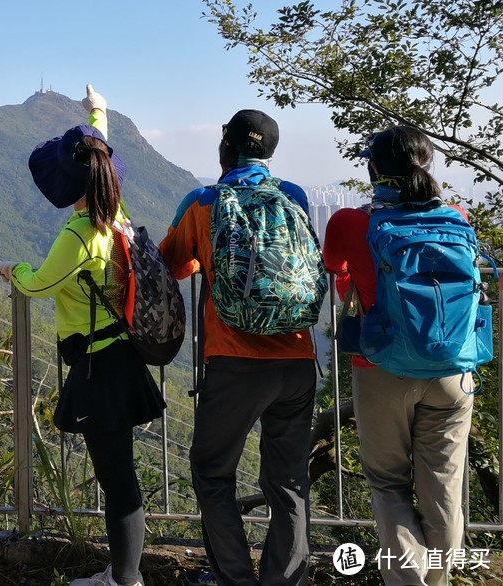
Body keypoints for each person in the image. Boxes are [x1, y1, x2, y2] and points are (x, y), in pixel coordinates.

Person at [0, 85, 165, 586]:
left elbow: (41, 283)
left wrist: (9, 269)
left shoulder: (79, 235)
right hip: (120, 353)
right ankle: (123, 573)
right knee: (120, 474)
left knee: (117, 478)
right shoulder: (115, 213)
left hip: (98, 365)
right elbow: (97, 153)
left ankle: (124, 579)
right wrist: (97, 113)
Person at [158, 110, 316, 586]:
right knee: (288, 482)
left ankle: (233, 578)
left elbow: (171, 265)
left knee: (211, 470)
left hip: (234, 362)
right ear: (269, 152)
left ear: (225, 147)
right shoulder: (295, 197)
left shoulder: (204, 201)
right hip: (297, 359)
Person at [323, 126, 475, 586]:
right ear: (427, 165)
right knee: (445, 488)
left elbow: (334, 268)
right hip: (453, 369)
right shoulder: (459, 217)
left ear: (373, 169)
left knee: (388, 482)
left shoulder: (351, 222)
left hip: (382, 368)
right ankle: (438, 578)